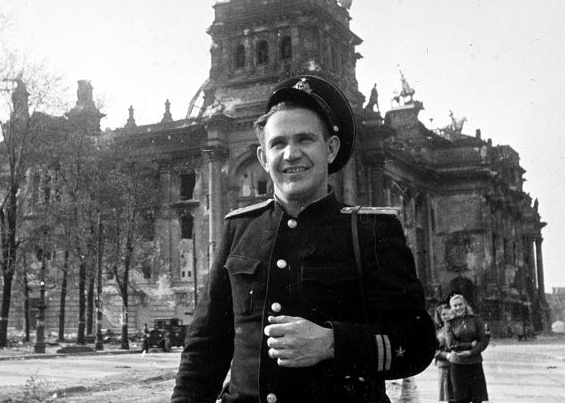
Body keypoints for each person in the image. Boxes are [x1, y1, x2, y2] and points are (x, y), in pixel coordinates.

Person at [171, 74, 436, 403]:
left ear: (331, 149)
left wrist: (333, 343)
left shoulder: (371, 232)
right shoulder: (239, 229)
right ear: (263, 158)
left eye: (305, 140)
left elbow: (418, 341)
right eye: (278, 143)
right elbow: (204, 349)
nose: (291, 154)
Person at [445, 294, 489, 403]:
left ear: (465, 305)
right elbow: (451, 344)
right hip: (457, 364)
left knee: (477, 398)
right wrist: (470, 344)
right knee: (459, 399)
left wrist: (471, 352)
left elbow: (483, 341)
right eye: (455, 305)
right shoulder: (449, 322)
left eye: (460, 304)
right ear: (451, 308)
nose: (458, 307)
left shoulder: (476, 319)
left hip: (475, 363)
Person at [433, 304, 454, 401]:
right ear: (439, 316)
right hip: (444, 366)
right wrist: (446, 355)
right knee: (448, 395)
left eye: (448, 313)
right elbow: (433, 351)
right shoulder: (437, 332)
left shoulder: (457, 327)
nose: (446, 316)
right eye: (443, 314)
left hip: (459, 364)